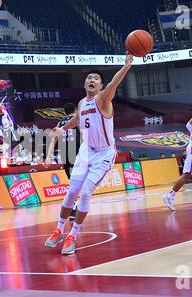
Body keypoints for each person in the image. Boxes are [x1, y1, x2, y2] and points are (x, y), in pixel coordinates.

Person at [45, 53, 134, 255]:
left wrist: (125, 67)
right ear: (85, 84)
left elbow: (114, 84)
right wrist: (64, 129)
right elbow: (77, 119)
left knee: (85, 193)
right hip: (86, 152)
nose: (91, 81)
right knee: (71, 193)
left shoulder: (102, 100)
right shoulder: (82, 103)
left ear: (101, 86)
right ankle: (58, 229)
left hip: (104, 154)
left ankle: (73, 235)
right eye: (89, 78)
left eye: (96, 79)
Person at [45, 102, 80, 221]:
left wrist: (48, 157)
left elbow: (52, 141)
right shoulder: (76, 119)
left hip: (66, 156)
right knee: (82, 182)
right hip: (78, 154)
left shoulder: (60, 123)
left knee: (72, 183)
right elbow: (84, 135)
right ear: (75, 110)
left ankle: (73, 206)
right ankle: (76, 206)